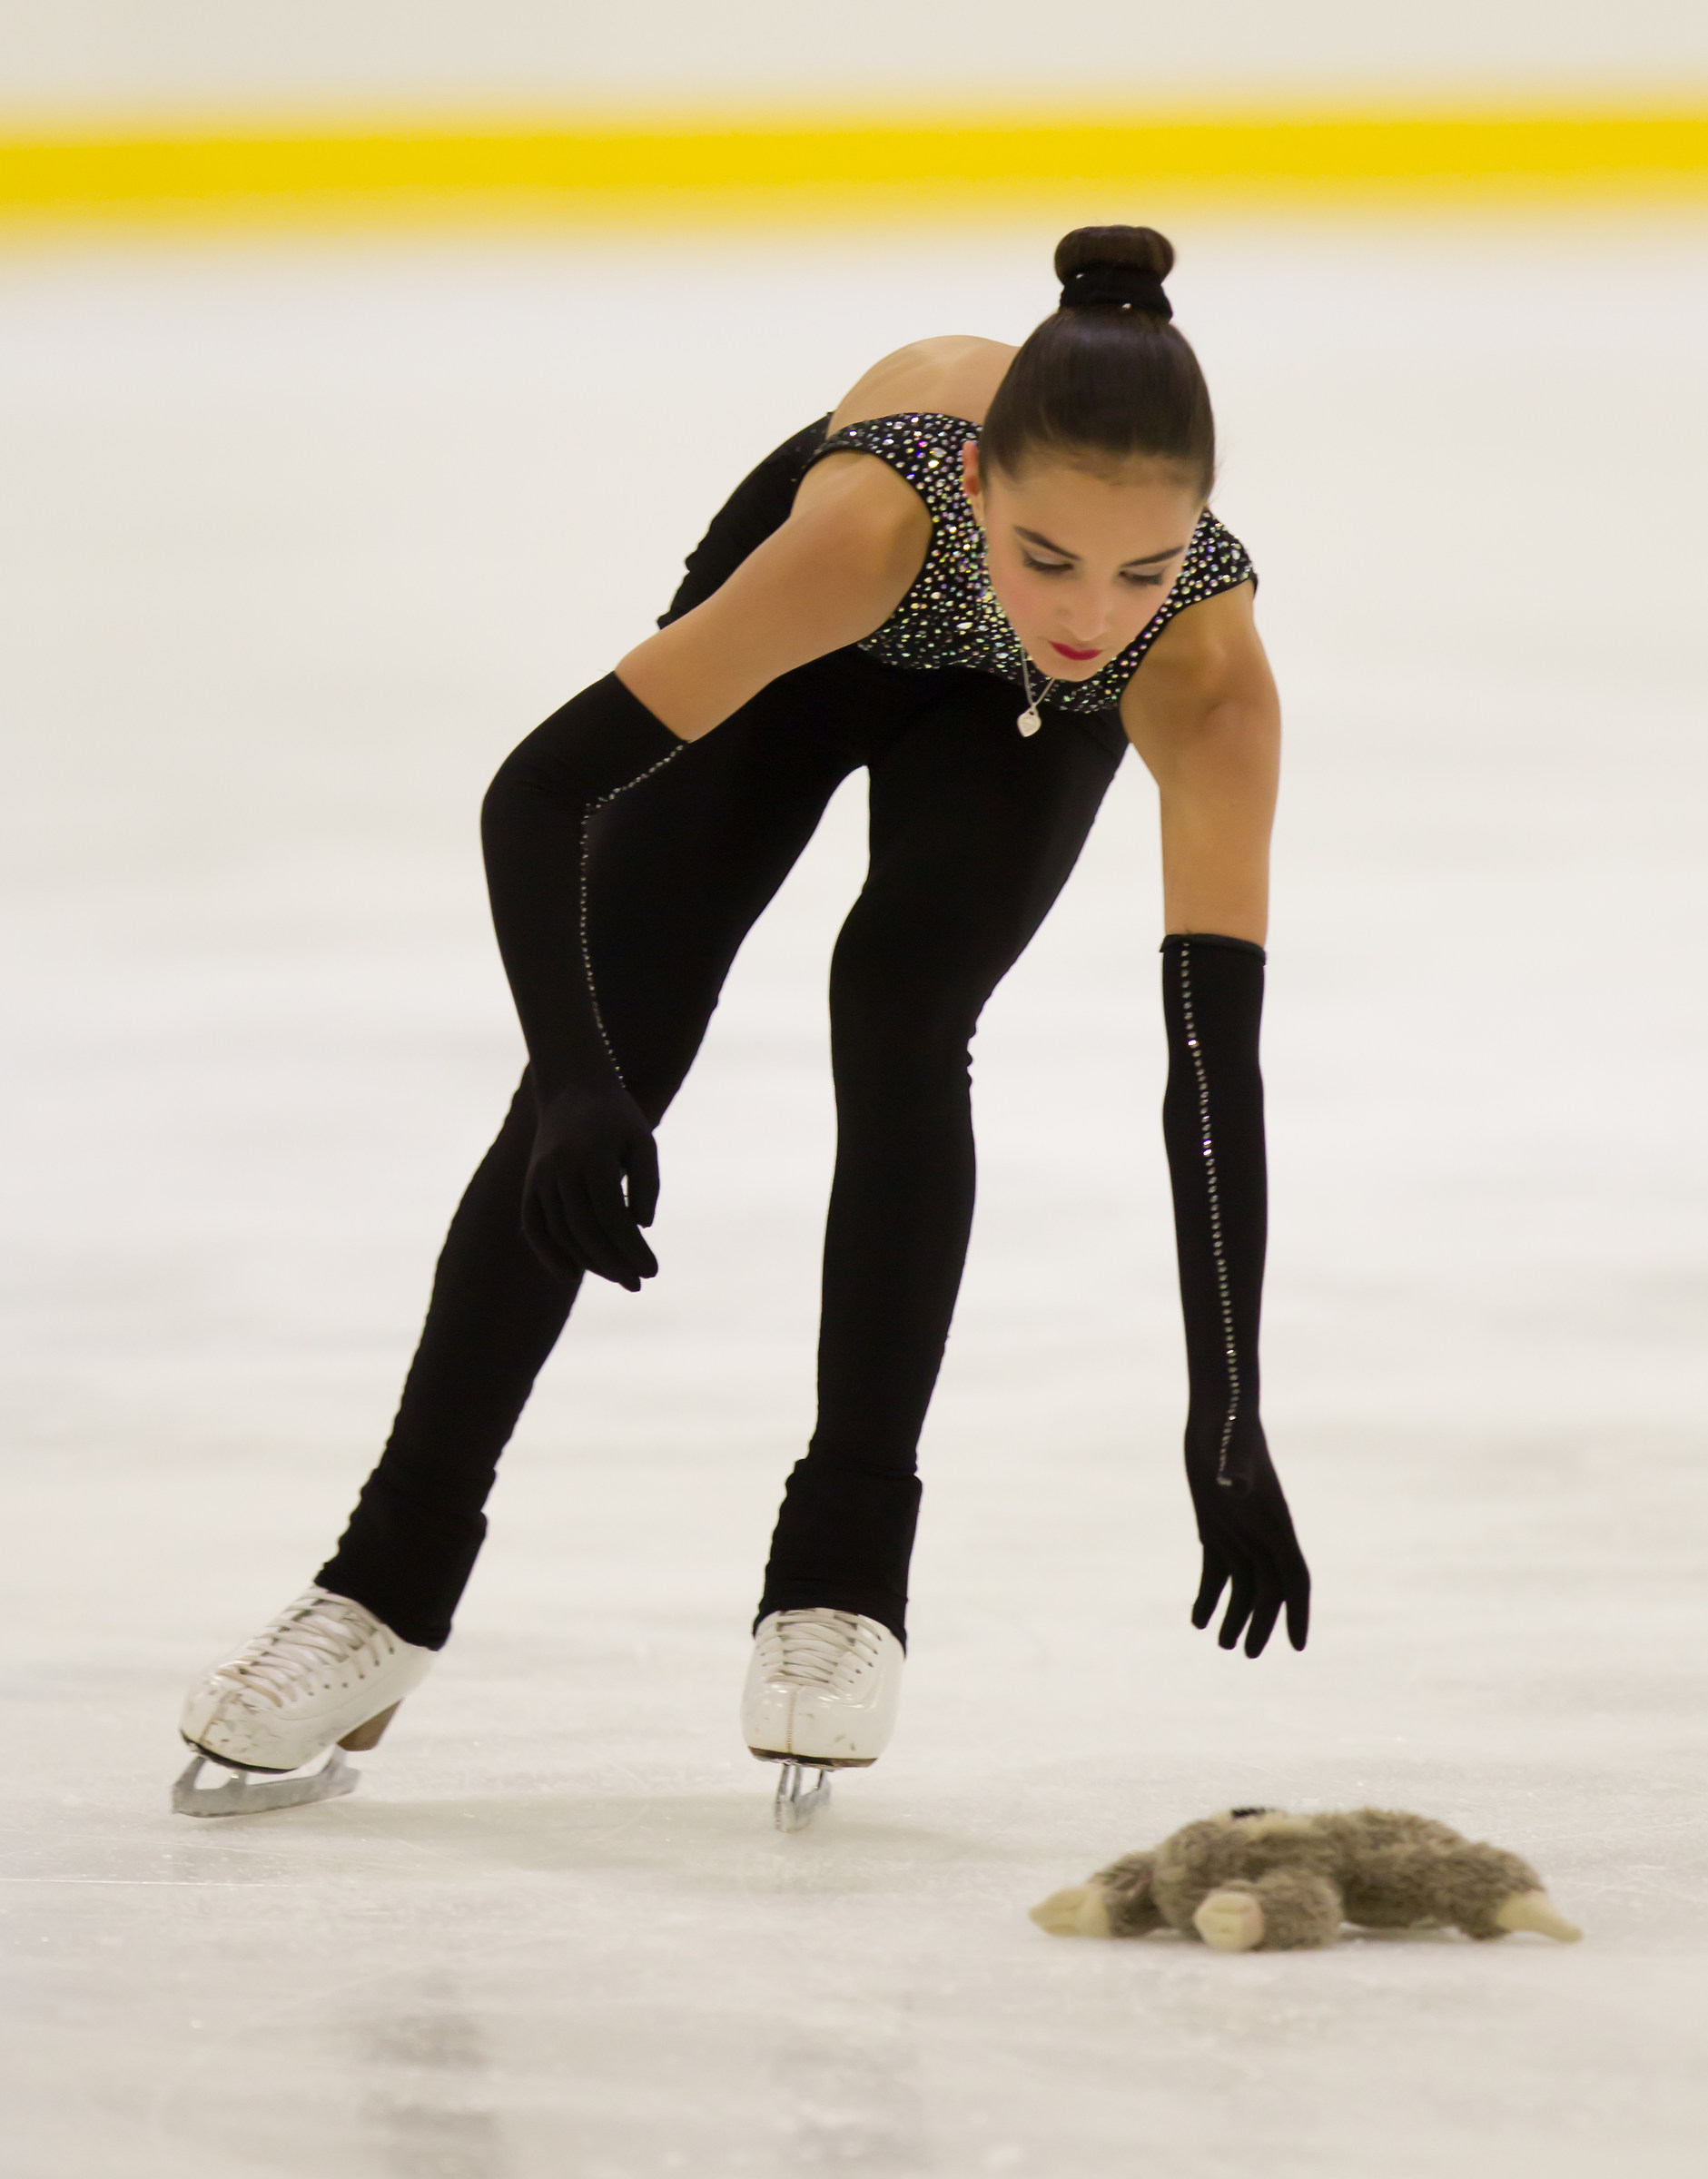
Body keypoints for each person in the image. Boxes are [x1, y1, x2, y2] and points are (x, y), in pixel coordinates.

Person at [173, 224, 1310, 1821]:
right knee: (625, 1030)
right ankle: (382, 1588)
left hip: (1005, 734)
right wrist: (574, 1086)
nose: (1084, 614)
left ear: (1192, 535)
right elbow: (540, 788)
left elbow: (1210, 1070)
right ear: (980, 488)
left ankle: (842, 1586)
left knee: (904, 1019)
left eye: (1137, 569)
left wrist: (1229, 1412)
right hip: (822, 636)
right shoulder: (865, 523)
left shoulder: (1192, 662)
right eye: (1047, 557)